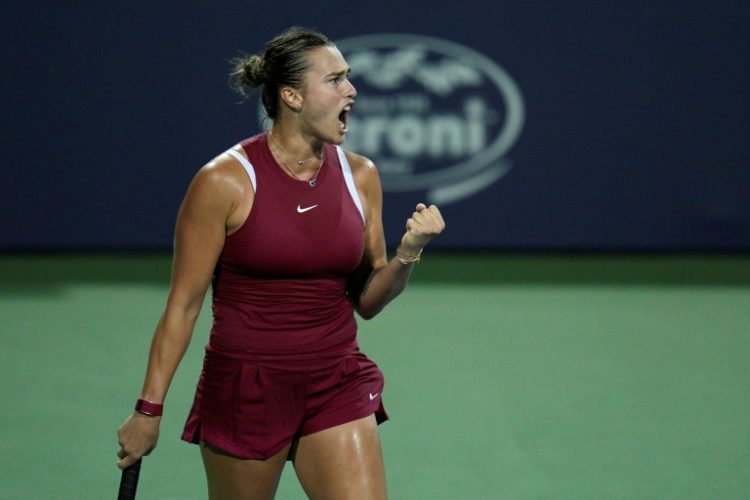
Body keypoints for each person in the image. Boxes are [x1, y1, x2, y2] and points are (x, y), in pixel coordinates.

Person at [116, 26, 445, 499]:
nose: (350, 90)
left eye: (348, 78)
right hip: (245, 391)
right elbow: (183, 306)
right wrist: (148, 410)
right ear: (291, 96)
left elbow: (368, 301)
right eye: (334, 80)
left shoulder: (361, 176)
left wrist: (408, 252)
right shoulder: (223, 182)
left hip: (336, 379)